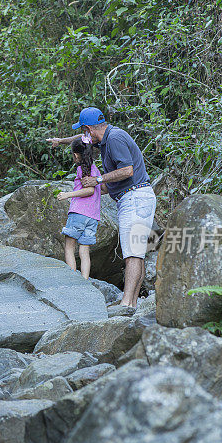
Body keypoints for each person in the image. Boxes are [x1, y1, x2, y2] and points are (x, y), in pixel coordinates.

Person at [47, 107, 156, 310]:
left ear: (89, 129)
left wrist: (96, 179)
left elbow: (127, 170)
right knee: (137, 253)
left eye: (85, 131)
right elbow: (82, 139)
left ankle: (125, 303)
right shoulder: (107, 139)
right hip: (135, 197)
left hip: (135, 198)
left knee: (132, 254)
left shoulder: (114, 139)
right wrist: (61, 141)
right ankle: (131, 303)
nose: (84, 135)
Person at [56, 136, 101, 279]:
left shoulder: (82, 169)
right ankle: (84, 280)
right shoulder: (96, 170)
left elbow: (89, 190)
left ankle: (72, 279)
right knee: (84, 250)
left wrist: (68, 194)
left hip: (78, 213)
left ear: (76, 155)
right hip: (93, 216)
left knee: (69, 246)